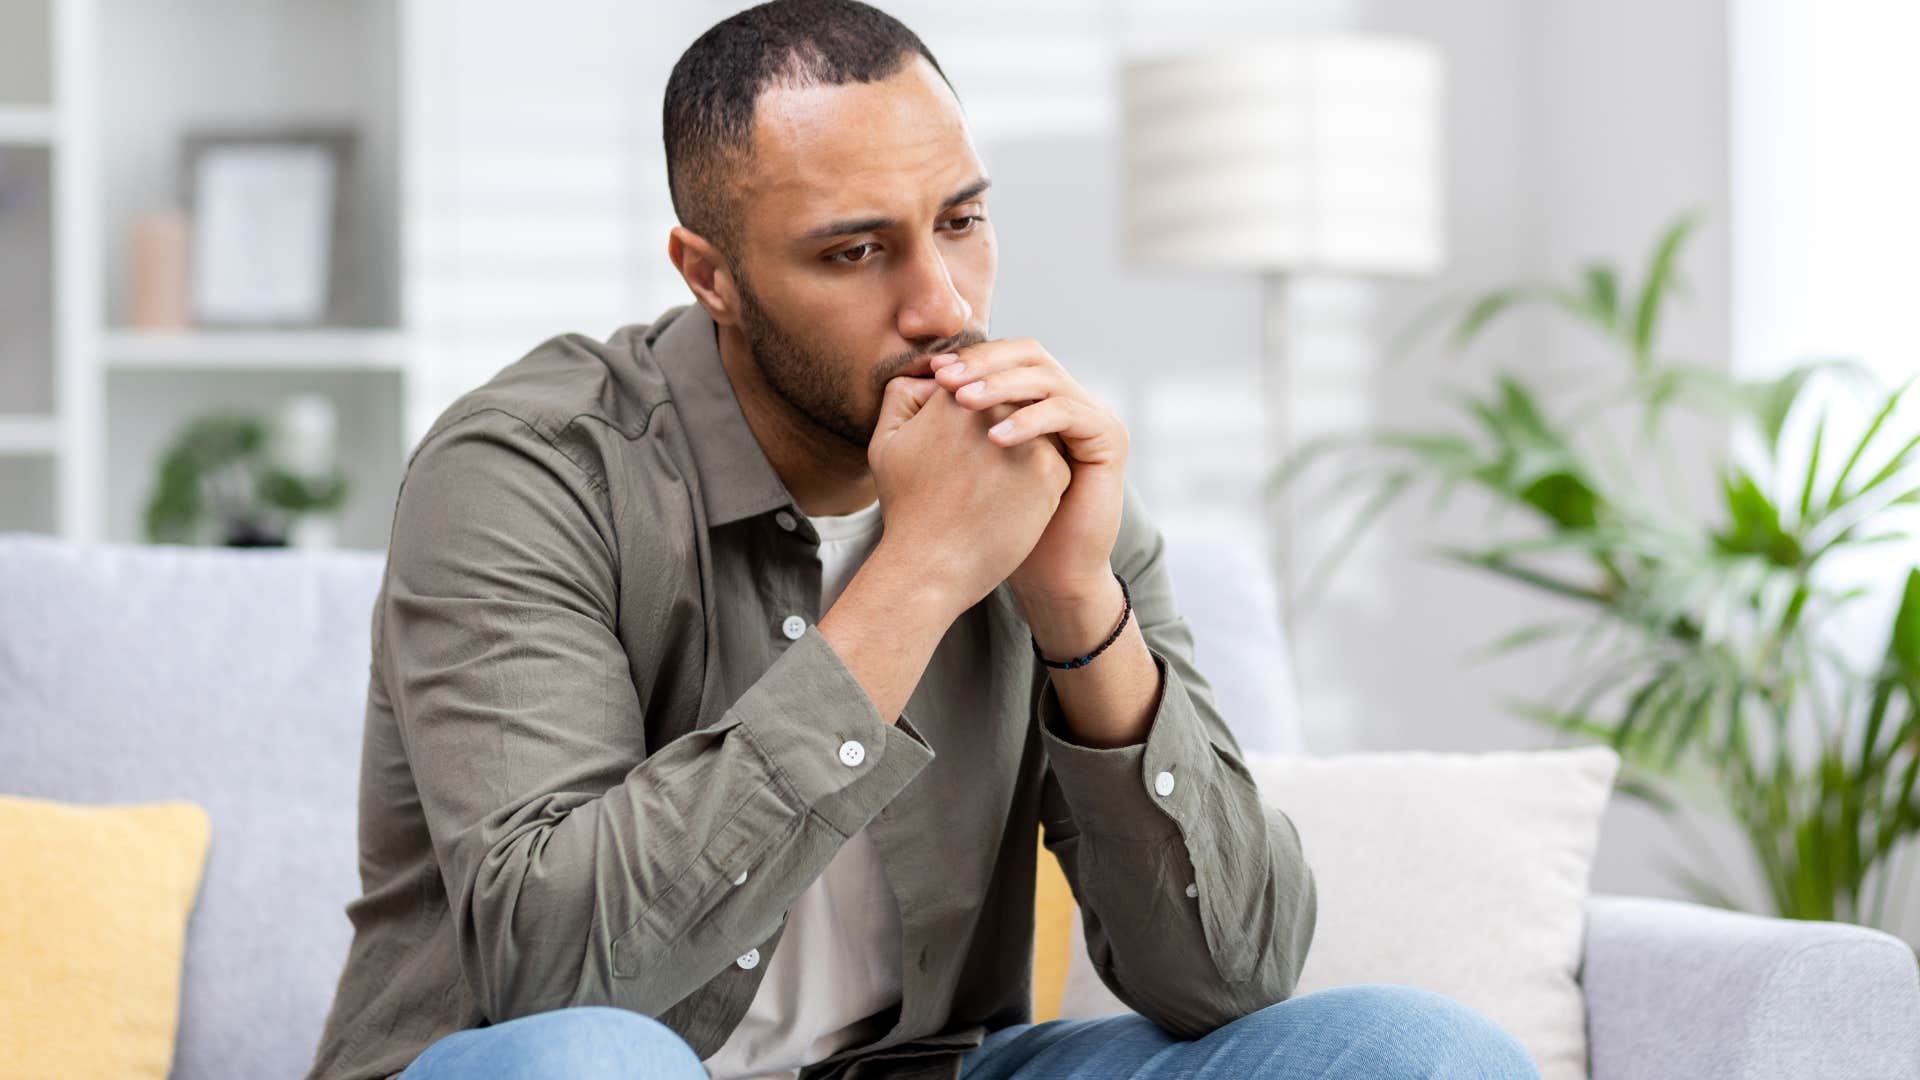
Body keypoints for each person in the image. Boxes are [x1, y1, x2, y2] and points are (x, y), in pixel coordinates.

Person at [304, 2, 1540, 1078]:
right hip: (564, 1062)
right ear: (709, 273)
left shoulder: (1038, 470)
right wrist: (925, 570)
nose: (943, 305)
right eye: (855, 251)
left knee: (1427, 1057)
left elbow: (1235, 980)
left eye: (961, 221)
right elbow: (559, 972)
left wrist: (1074, 602)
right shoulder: (529, 470)